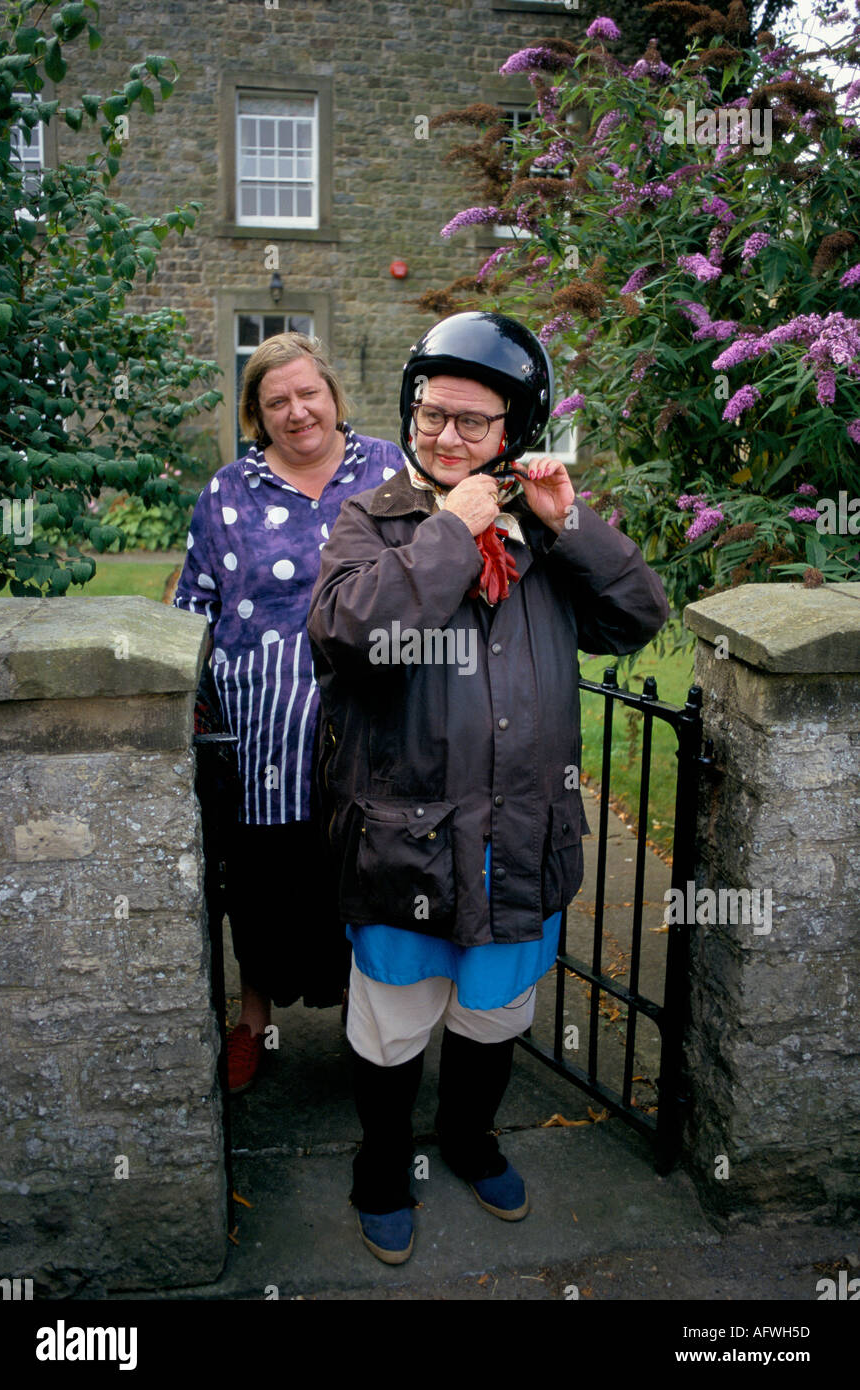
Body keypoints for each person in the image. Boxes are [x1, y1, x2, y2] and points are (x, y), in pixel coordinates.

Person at [307, 310, 670, 1264]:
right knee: (392, 1021)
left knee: (495, 1011)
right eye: (432, 415)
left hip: (519, 829)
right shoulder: (374, 519)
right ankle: (381, 1166)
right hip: (406, 836)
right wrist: (449, 534)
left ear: (514, 431)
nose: (447, 437)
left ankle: (468, 1140)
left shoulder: (548, 536)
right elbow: (348, 638)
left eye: (474, 422)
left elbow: (639, 617)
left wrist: (571, 525)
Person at [173, 333, 405, 1094]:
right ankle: (252, 1020)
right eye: (276, 401)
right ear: (257, 414)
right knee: (263, 882)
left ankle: (362, 1018)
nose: (296, 411)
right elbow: (190, 609)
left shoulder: (392, 472)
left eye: (308, 393)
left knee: (363, 875)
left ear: (334, 394)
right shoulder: (226, 492)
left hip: (372, 724)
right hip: (263, 728)